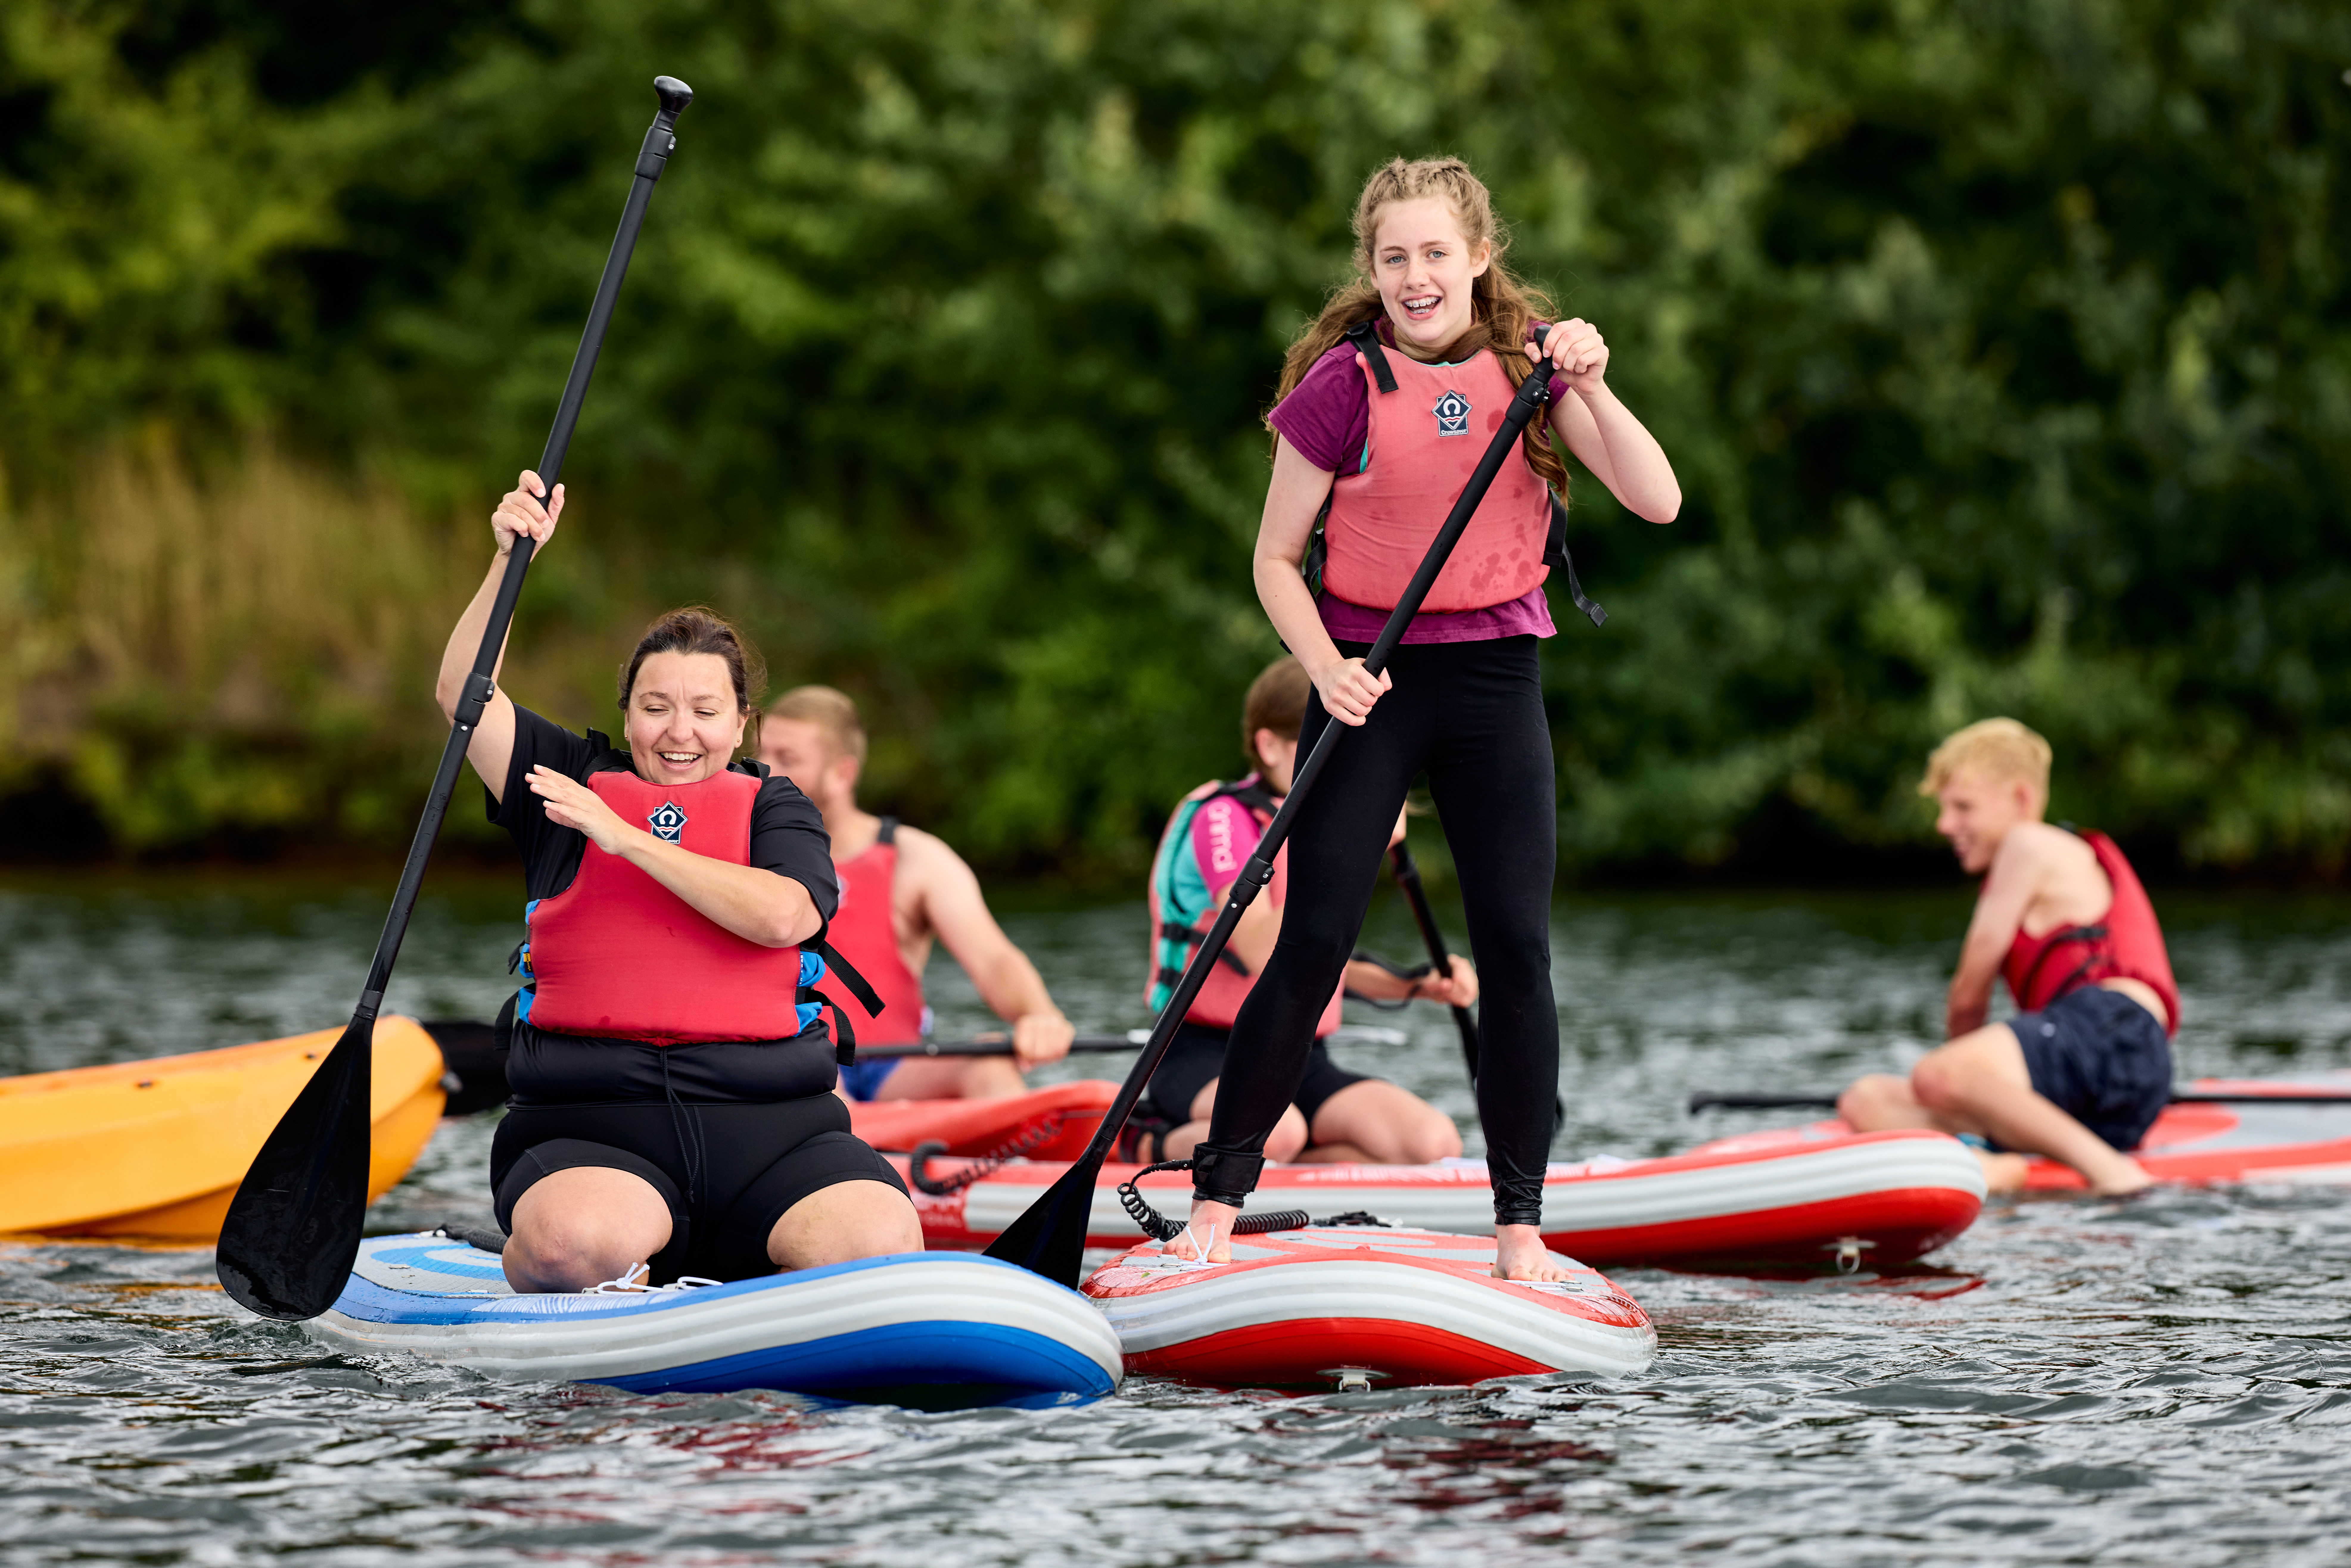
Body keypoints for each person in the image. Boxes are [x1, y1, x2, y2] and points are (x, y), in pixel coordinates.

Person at [1170, 156, 1681, 1280]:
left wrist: (1592, 383)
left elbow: (1657, 498)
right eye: (1394, 257)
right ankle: (1217, 1203)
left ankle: (1518, 1229)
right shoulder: (1341, 387)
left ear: (1477, 258)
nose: (1415, 275)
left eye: (1435, 254)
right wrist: (1325, 668)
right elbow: (1272, 560)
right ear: (1373, 268)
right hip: (1371, 678)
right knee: (1312, 940)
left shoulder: (1533, 368)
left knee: (1515, 946)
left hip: (1498, 679)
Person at [443, 472, 921, 1293]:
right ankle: (591, 1277)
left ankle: (750, 1275)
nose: (678, 732)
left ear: (741, 724)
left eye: (705, 710)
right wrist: (507, 562)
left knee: (881, 1245)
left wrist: (626, 838)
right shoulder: (563, 777)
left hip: (774, 1134)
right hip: (593, 1130)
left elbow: (785, 919)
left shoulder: (778, 806)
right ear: (626, 713)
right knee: (566, 1249)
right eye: (655, 707)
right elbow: (463, 697)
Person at [1139, 656, 1474, 1166]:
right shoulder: (1221, 818)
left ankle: (1293, 1172)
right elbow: (1256, 950)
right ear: (1268, 745)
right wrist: (1340, 838)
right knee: (1277, 1132)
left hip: (1300, 1056)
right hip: (1200, 1051)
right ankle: (1147, 1143)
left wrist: (1416, 985)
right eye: (1320, 739)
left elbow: (1318, 959)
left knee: (1433, 1143)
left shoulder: (1326, 819)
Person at [1838, 719, 2178, 1195]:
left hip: (2115, 1040)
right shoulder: (2040, 859)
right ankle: (1991, 1162)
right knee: (1865, 1100)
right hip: (2102, 1086)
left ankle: (2112, 1174)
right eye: (1944, 809)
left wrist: (1956, 1080)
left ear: (2020, 799)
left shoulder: (2026, 843)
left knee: (1935, 1074)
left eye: (1962, 807)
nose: (1944, 825)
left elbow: (1967, 995)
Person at [759, 686, 1075, 1101]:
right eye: (760, 754)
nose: (764, 771)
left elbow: (993, 958)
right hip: (796, 1069)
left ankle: (1038, 1160)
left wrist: (1039, 1014)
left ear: (842, 775)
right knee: (821, 1089)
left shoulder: (917, 858)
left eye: (787, 760)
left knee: (989, 1062)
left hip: (893, 1070)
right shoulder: (740, 858)